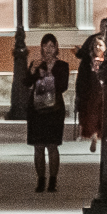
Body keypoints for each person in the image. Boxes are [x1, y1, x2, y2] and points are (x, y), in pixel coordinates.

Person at [18, 33, 70, 192]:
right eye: (45, 46)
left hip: (54, 110)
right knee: (38, 146)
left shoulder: (62, 66)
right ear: (41, 47)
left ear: (56, 48)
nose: (48, 49)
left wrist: (48, 75)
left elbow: (63, 86)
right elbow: (26, 83)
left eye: (51, 46)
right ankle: (41, 180)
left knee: (52, 146)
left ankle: (53, 181)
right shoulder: (36, 63)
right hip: (37, 110)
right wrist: (33, 70)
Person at [75, 24, 106, 152]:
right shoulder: (88, 61)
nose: (97, 47)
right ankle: (94, 136)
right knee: (93, 116)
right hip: (92, 92)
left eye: (100, 45)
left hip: (105, 93)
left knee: (103, 116)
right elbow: (82, 77)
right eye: (95, 46)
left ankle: (103, 137)